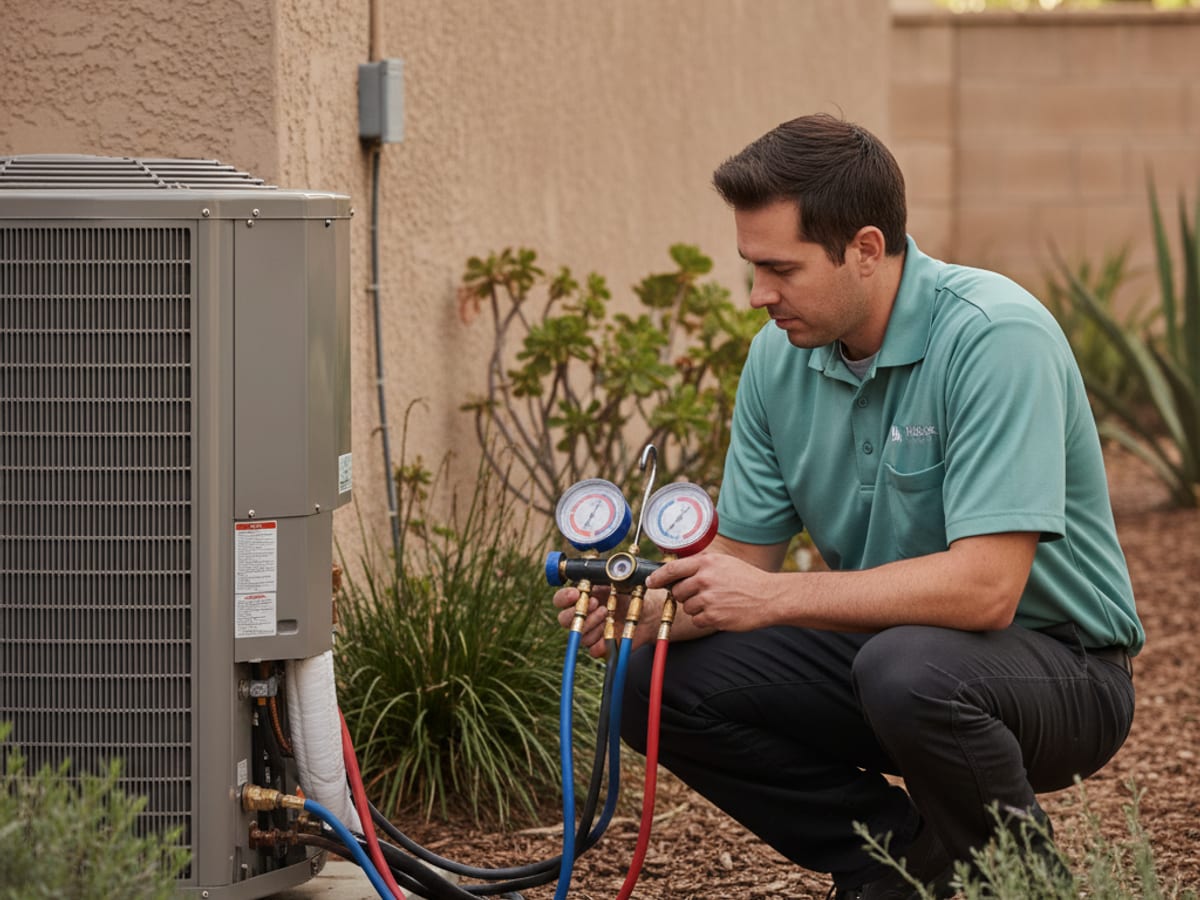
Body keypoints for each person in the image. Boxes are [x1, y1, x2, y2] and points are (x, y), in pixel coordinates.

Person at [553, 113, 1142, 899]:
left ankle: (1025, 885)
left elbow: (987, 589)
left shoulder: (995, 337)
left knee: (908, 669)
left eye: (781, 269)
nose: (760, 294)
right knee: (645, 678)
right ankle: (896, 865)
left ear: (865, 250)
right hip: (887, 657)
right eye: (750, 267)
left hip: (1061, 671)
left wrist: (772, 597)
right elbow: (741, 567)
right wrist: (649, 610)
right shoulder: (778, 360)